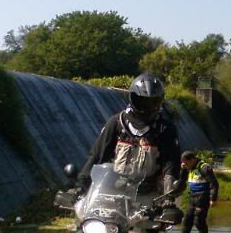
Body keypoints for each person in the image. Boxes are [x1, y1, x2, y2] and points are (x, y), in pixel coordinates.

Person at [74, 73, 181, 204]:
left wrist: (169, 195)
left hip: (148, 198)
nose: (147, 107)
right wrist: (81, 186)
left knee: (151, 223)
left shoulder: (165, 129)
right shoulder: (117, 123)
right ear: (133, 99)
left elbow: (171, 164)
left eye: (153, 102)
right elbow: (97, 156)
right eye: (142, 102)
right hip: (112, 194)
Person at [178, 151, 219, 233]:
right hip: (192, 197)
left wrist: (212, 199)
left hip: (203, 198)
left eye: (187, 163)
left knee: (198, 220)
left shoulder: (204, 168)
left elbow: (214, 184)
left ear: (192, 160)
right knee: (187, 219)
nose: (185, 165)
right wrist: (183, 169)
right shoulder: (188, 167)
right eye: (184, 164)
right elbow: (182, 179)